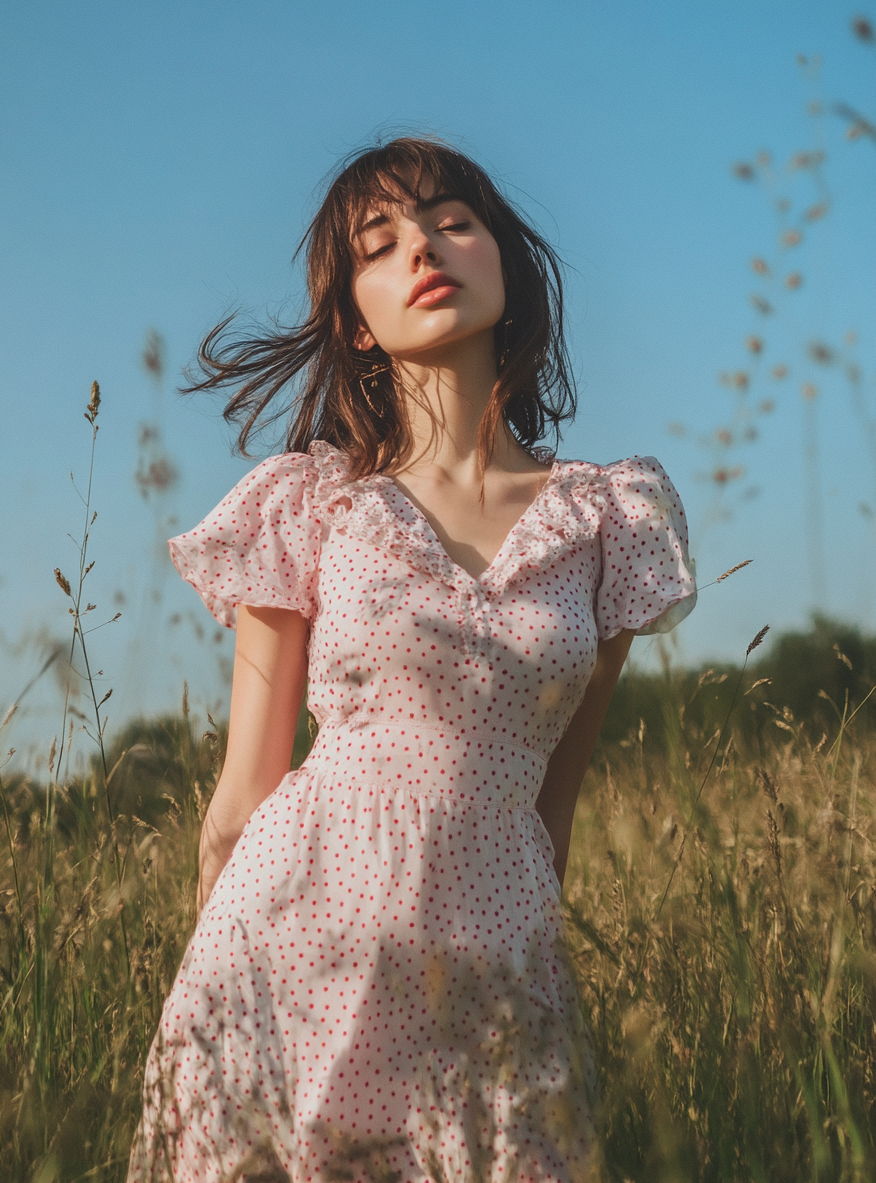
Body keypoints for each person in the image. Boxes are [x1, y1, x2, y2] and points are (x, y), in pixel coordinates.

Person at [128, 137, 696, 1183]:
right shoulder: (308, 504)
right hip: (293, 944)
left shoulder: (609, 515)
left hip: (491, 966)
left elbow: (551, 808)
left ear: (506, 264)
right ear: (353, 319)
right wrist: (206, 1007)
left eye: (451, 220)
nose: (423, 248)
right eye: (378, 244)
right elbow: (242, 794)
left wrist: (529, 980)